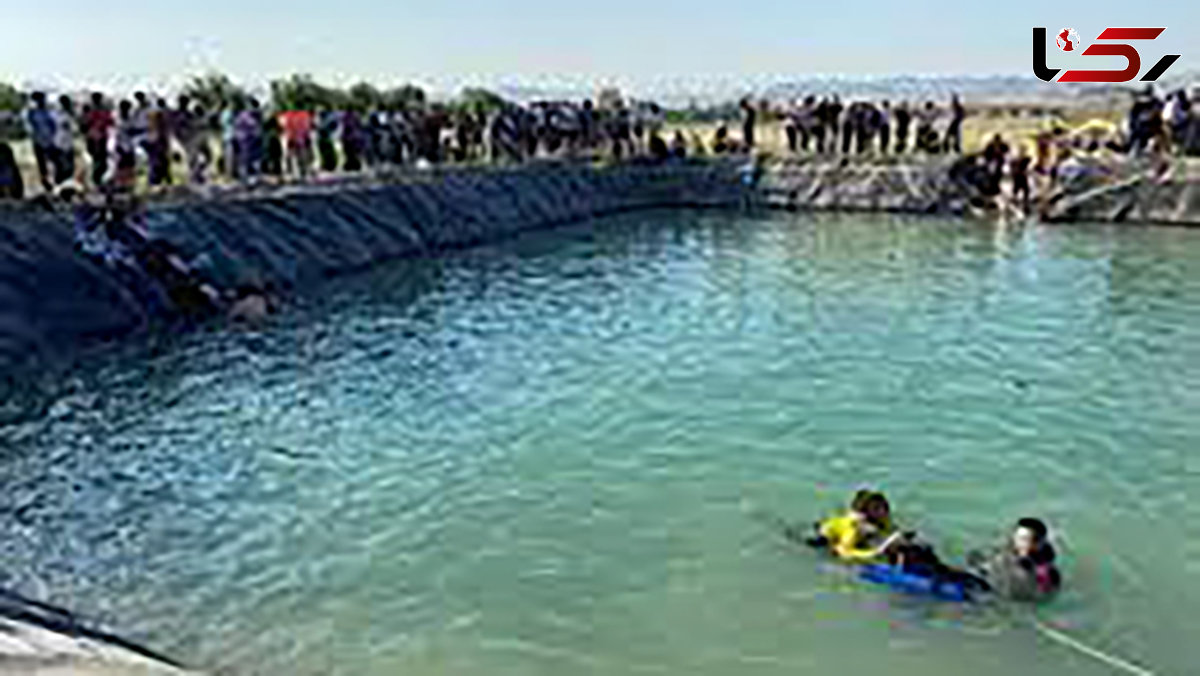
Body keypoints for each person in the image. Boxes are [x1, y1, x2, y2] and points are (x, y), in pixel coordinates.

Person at [969, 518, 1061, 601]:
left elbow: (1042, 595)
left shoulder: (1048, 573)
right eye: (1017, 537)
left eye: (1024, 539)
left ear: (1038, 544)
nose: (1018, 542)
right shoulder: (1005, 551)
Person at [810, 490, 905, 562]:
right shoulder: (855, 526)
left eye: (884, 508)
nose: (881, 512)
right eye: (876, 509)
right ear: (867, 510)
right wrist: (874, 553)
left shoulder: (883, 520)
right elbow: (843, 552)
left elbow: (890, 532)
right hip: (827, 534)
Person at [25, 92, 58, 193]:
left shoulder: (49, 112)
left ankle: (52, 182)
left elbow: (54, 127)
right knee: (42, 165)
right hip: (39, 141)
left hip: (48, 141)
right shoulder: (32, 113)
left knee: (50, 163)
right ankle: (46, 183)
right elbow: (30, 126)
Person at [83, 92, 114, 188]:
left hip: (99, 138)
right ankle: (97, 180)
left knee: (100, 161)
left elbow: (110, 123)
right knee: (99, 160)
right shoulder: (93, 111)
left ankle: (98, 180)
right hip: (96, 139)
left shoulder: (94, 111)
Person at [53, 95, 78, 185]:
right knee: (60, 167)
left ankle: (67, 186)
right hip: (59, 144)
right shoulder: (56, 114)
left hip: (68, 144)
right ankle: (59, 186)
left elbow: (75, 129)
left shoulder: (71, 114)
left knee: (69, 168)